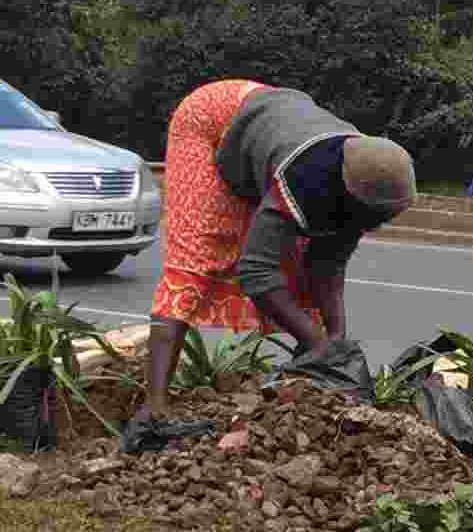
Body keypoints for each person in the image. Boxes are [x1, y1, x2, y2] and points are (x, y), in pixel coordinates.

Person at [123, 80, 416, 450]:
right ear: (357, 199)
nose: (382, 224)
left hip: (273, 126)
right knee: (196, 258)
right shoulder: (307, 177)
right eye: (381, 217)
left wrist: (336, 339)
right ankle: (154, 410)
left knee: (301, 275)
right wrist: (316, 339)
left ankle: (310, 380)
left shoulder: (367, 172)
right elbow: (256, 272)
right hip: (212, 120)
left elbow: (327, 263)